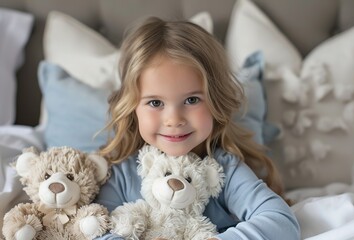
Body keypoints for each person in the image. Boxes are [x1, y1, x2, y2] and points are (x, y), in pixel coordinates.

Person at [95, 16, 300, 240]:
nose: (174, 119)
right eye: (155, 103)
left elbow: (282, 222)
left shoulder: (224, 171)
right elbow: (96, 230)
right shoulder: (120, 173)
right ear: (133, 107)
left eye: (192, 100)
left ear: (216, 101)